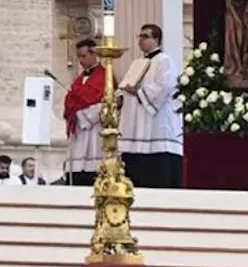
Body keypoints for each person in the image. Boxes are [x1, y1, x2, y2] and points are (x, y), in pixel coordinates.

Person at [118, 23, 183, 189]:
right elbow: (125, 85)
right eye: (139, 36)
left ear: (156, 39)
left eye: (145, 36)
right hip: (136, 124)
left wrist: (138, 91)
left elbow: (165, 87)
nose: (140, 40)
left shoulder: (164, 61)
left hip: (157, 125)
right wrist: (120, 97)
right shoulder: (136, 63)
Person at [63, 38, 105, 187]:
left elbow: (105, 104)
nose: (81, 61)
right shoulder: (78, 80)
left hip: (93, 129)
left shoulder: (104, 76)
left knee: (91, 170)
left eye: (84, 56)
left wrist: (83, 116)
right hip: (78, 130)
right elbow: (70, 100)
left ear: (94, 55)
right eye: (79, 57)